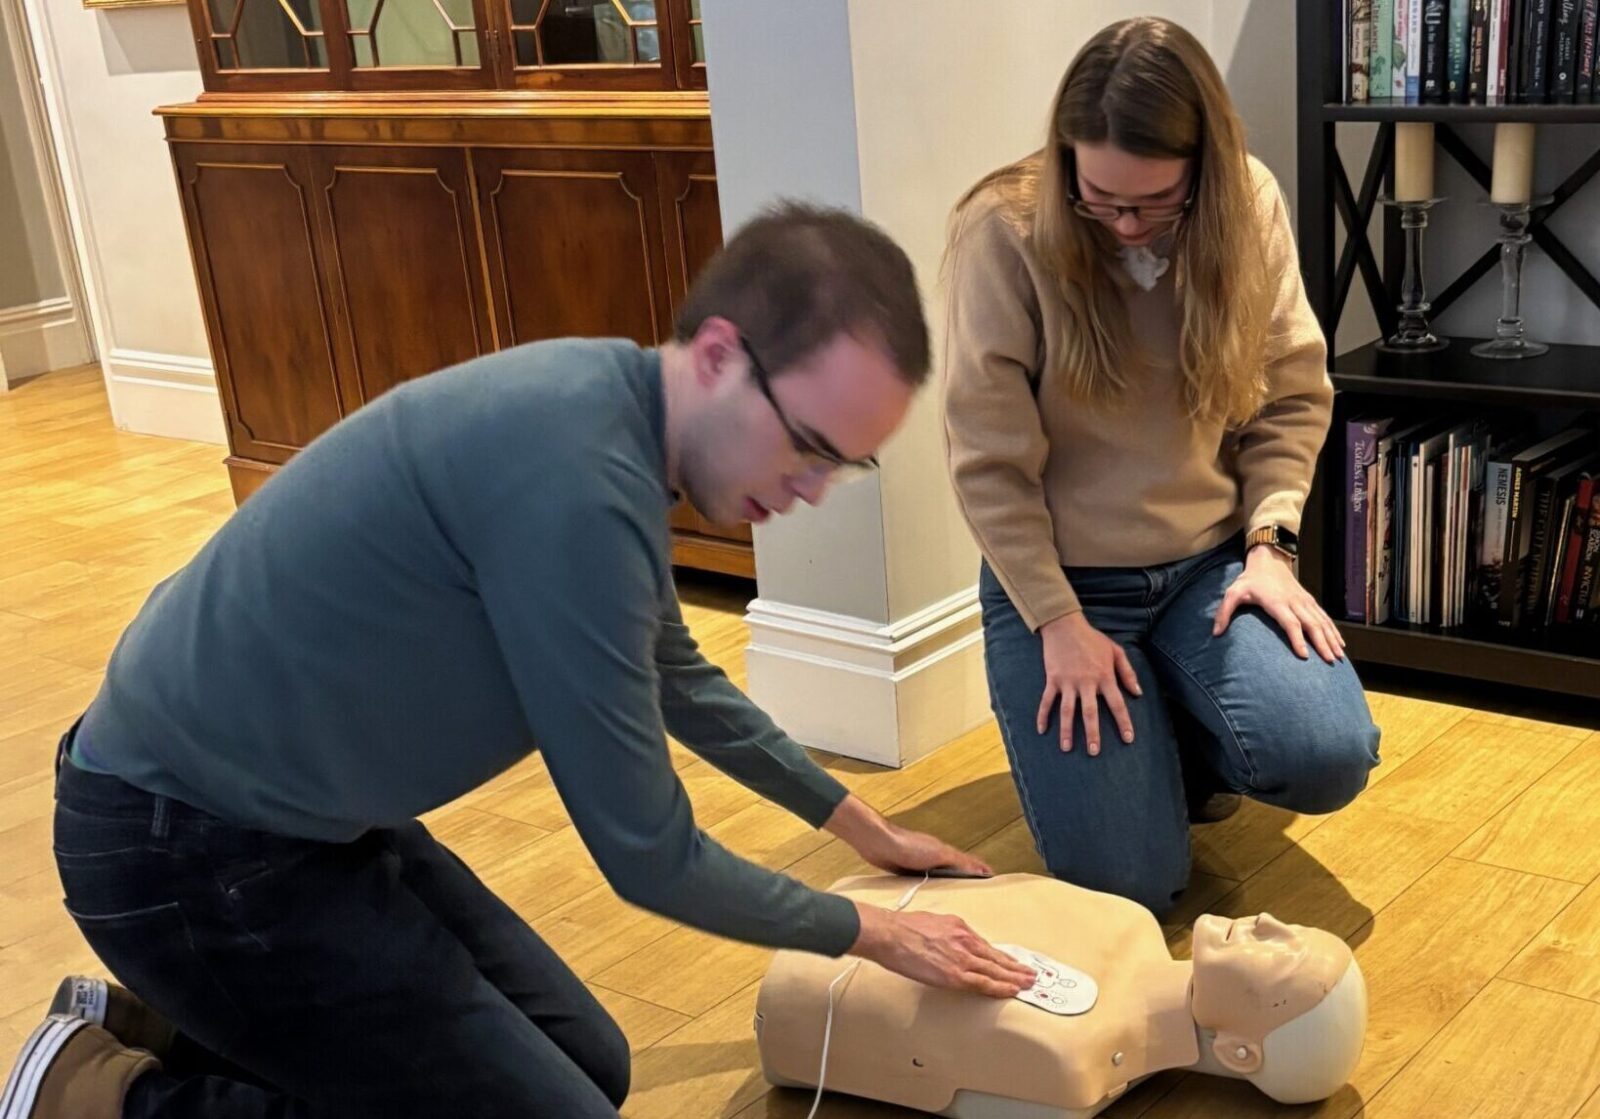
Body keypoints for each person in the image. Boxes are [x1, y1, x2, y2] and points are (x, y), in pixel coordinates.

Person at [1, 202, 1036, 1119]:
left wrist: (860, 825)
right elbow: (651, 858)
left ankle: (177, 1024)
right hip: (179, 850)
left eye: (841, 466)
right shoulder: (575, 483)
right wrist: (873, 933)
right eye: (808, 444)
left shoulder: (609, 412)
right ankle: (104, 1095)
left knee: (592, 1065)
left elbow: (679, 675)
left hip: (301, 823)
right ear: (718, 354)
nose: (812, 488)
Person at [943, 17, 1382, 917]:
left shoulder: (1247, 203)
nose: (1126, 225)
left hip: (1208, 566)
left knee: (1329, 751)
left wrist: (1271, 545)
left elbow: (1293, 394)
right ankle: (1143, 758)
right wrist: (1056, 620)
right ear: (1066, 160)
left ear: (1205, 171)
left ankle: (1171, 736)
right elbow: (988, 463)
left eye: (1154, 202)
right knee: (1131, 888)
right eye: (1100, 198)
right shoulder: (1005, 231)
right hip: (1063, 585)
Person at [755, 873, 1368, 1117]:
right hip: (847, 907)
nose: (1269, 921)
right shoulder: (1132, 923)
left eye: (1279, 959)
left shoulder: (1071, 1064)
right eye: (1294, 928)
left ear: (1239, 1053)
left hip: (804, 974)